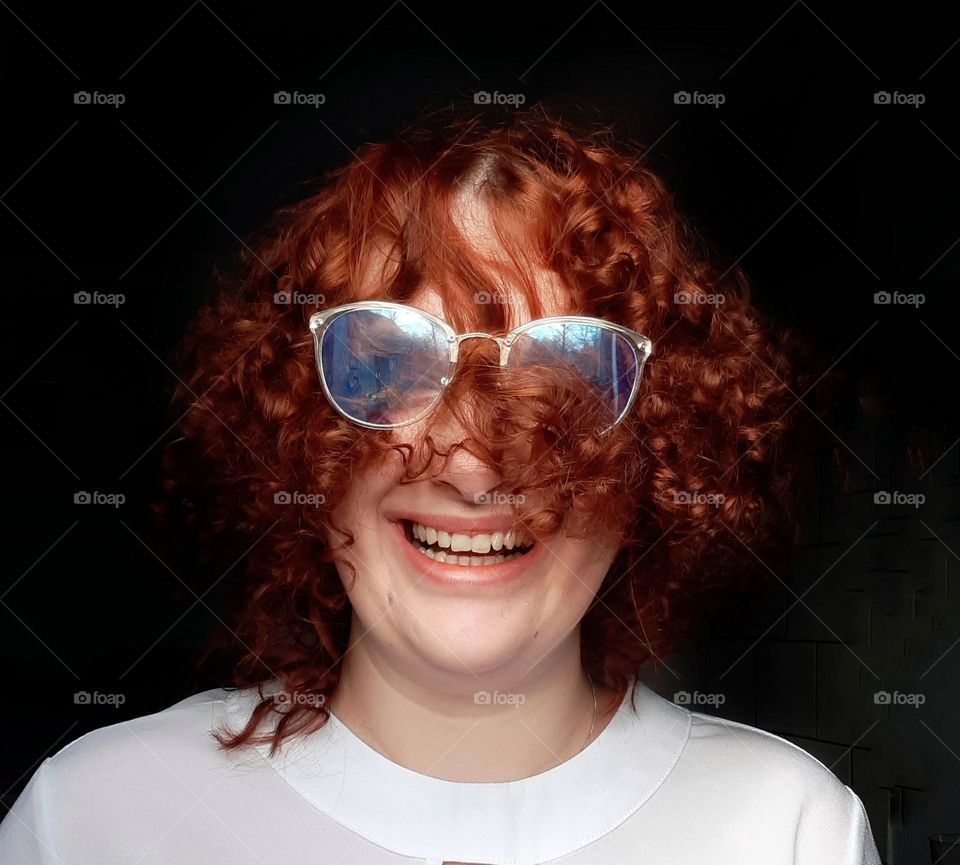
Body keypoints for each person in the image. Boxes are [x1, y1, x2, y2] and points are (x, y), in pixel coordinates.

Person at [0, 106, 882, 864]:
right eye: (387, 363)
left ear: (659, 451)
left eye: (568, 376)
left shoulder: (789, 834)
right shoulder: (93, 823)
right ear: (303, 437)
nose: (471, 458)